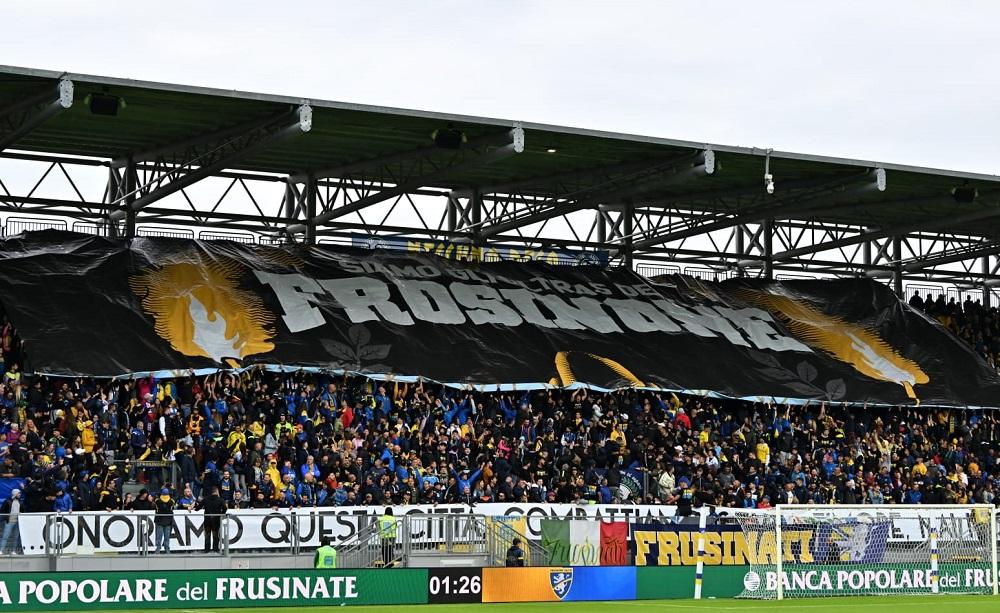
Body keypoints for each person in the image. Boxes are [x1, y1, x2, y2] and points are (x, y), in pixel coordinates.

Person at [199, 487, 227, 553]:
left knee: (207, 535)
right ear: (217, 492)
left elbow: (198, 508)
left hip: (207, 520)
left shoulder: (205, 499)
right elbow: (225, 508)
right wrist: (221, 514)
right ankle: (215, 549)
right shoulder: (220, 500)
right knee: (216, 535)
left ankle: (207, 550)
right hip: (216, 520)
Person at [153, 487, 175, 554]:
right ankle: (167, 549)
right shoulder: (172, 501)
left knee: (159, 536)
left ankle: (158, 549)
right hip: (168, 520)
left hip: (159, 520)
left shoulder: (157, 501)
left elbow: (155, 497)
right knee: (167, 536)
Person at [0, 489, 20, 554]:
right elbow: (2, 510)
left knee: (16, 537)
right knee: (5, 536)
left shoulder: (19, 502)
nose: (20, 495)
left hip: (17, 522)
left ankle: (13, 551)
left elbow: (22, 510)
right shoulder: (8, 501)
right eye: (18, 493)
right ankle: (1, 550)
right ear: (15, 494)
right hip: (10, 521)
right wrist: (6, 517)